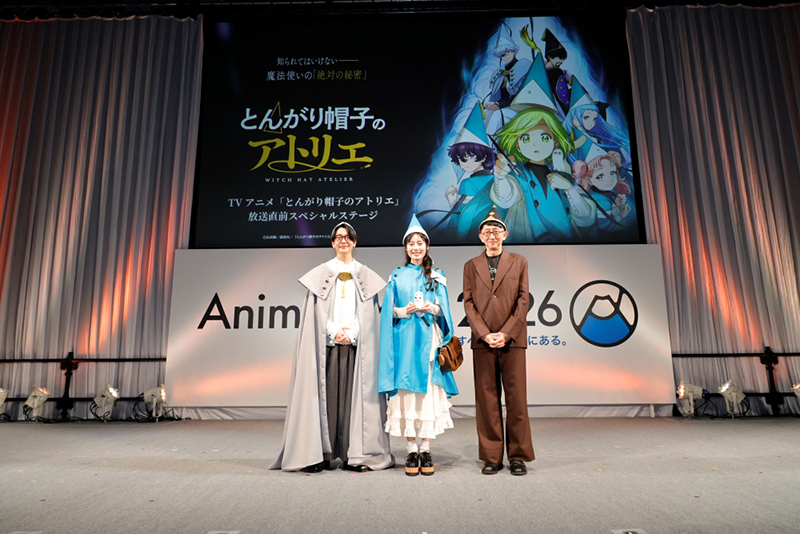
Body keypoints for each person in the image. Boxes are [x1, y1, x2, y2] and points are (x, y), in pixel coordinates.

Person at [270, 222, 394, 473]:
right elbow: (316, 313)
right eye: (338, 237)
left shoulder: (366, 275)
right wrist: (333, 331)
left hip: (356, 347)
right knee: (324, 399)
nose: (343, 240)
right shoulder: (320, 275)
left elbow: (369, 314)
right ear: (332, 242)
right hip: (326, 346)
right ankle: (319, 455)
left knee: (354, 403)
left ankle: (354, 455)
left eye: (347, 237)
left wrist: (353, 332)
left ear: (354, 242)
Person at [378, 215, 458, 477]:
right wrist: (405, 311)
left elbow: (444, 311)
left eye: (420, 243)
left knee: (427, 393)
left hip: (428, 341)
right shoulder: (396, 275)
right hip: (404, 340)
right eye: (411, 243)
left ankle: (426, 448)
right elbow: (388, 311)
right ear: (405, 247)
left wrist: (429, 307)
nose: (415, 247)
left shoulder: (437, 276)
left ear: (427, 246)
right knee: (406, 392)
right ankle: (411, 449)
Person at [463, 206, 535, 475]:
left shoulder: (519, 261)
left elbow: (524, 299)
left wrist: (506, 332)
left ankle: (518, 456)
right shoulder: (471, 266)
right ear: (480, 237)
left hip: (512, 340)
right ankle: (492, 456)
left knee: (517, 400)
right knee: (487, 400)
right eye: (486, 232)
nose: (491, 236)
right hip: (482, 341)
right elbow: (468, 303)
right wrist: (484, 333)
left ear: (505, 234)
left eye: (496, 231)